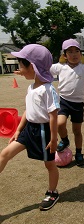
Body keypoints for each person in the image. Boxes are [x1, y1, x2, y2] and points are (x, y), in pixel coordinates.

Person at [0, 44, 60, 210]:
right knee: (5, 153)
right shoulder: (31, 87)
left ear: (32, 66)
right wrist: (18, 130)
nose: (19, 69)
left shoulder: (48, 89)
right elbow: (28, 110)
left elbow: (53, 116)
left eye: (21, 65)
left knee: (49, 165)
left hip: (43, 132)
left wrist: (54, 139)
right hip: (28, 130)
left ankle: (52, 192)